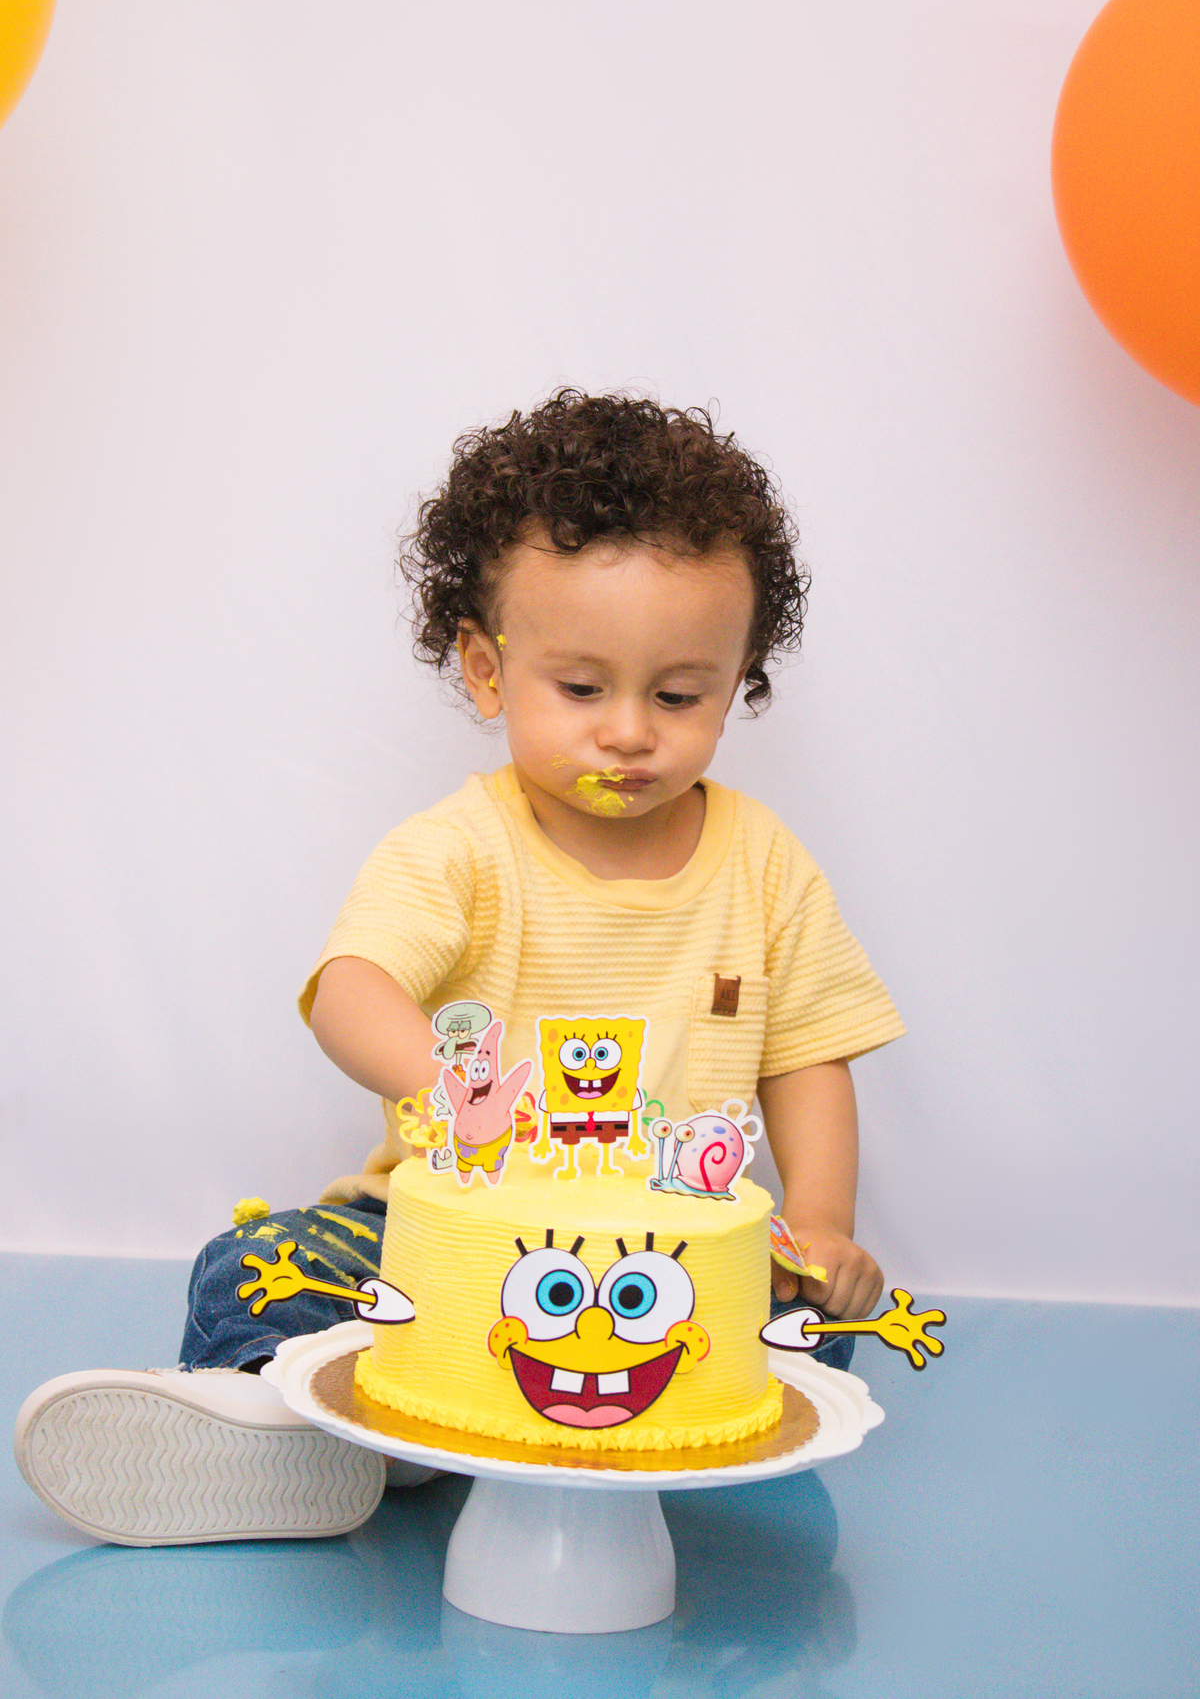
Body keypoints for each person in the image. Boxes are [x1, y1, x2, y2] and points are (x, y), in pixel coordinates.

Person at [14, 390, 904, 1547]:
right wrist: (453, 1090)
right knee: (263, 1266)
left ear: (735, 684)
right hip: (437, 1242)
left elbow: (808, 1055)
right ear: (488, 672)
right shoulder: (461, 851)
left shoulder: (765, 865)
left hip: (661, 1274)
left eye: (679, 696)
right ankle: (274, 1418)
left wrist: (821, 1227)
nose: (629, 731)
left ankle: (420, 1432)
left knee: (809, 1319)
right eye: (581, 689)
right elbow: (352, 992)